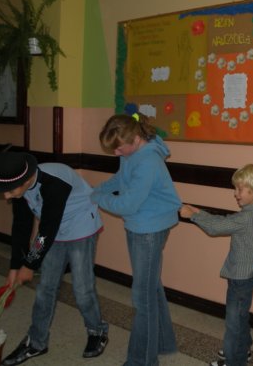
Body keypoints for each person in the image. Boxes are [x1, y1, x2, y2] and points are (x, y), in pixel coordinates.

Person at [0, 151, 109, 366]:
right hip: (53, 231)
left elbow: (47, 229)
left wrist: (30, 265)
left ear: (25, 180)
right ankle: (36, 342)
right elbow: (21, 227)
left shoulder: (54, 182)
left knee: (82, 287)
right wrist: (15, 266)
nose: (7, 197)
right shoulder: (19, 187)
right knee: (45, 288)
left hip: (81, 225)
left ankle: (97, 331)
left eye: (10, 191)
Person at [91, 113, 180, 366]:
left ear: (136, 139)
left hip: (149, 229)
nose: (116, 153)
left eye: (119, 148)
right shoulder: (131, 154)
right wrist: (96, 190)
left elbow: (127, 205)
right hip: (141, 224)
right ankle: (163, 343)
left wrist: (97, 199)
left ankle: (142, 361)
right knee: (151, 287)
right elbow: (121, 179)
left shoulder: (148, 160)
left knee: (143, 297)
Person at [179, 163, 253, 366]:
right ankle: (242, 349)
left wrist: (193, 215)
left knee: (233, 322)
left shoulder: (247, 217)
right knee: (240, 317)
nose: (235, 193)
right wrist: (199, 212)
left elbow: (217, 227)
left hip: (240, 279)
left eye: (240, 189)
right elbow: (225, 220)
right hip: (247, 276)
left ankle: (234, 360)